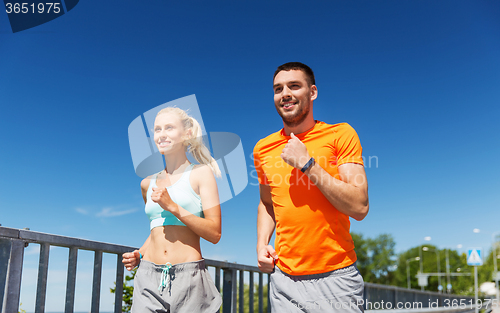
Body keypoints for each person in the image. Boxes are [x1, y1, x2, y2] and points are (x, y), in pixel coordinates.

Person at [254, 62, 369, 312]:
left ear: (312, 92)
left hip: (336, 281)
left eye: (294, 86)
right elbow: (267, 202)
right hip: (283, 281)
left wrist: (308, 164)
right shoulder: (262, 148)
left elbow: (359, 206)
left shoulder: (341, 134)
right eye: (278, 89)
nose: (285, 93)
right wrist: (261, 243)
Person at [122, 107, 222, 313]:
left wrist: (173, 207)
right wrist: (139, 254)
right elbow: (158, 228)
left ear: (186, 134)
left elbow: (214, 233)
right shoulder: (146, 184)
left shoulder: (201, 174)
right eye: (157, 129)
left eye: (169, 128)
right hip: (148, 277)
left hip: (189, 280)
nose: (161, 134)